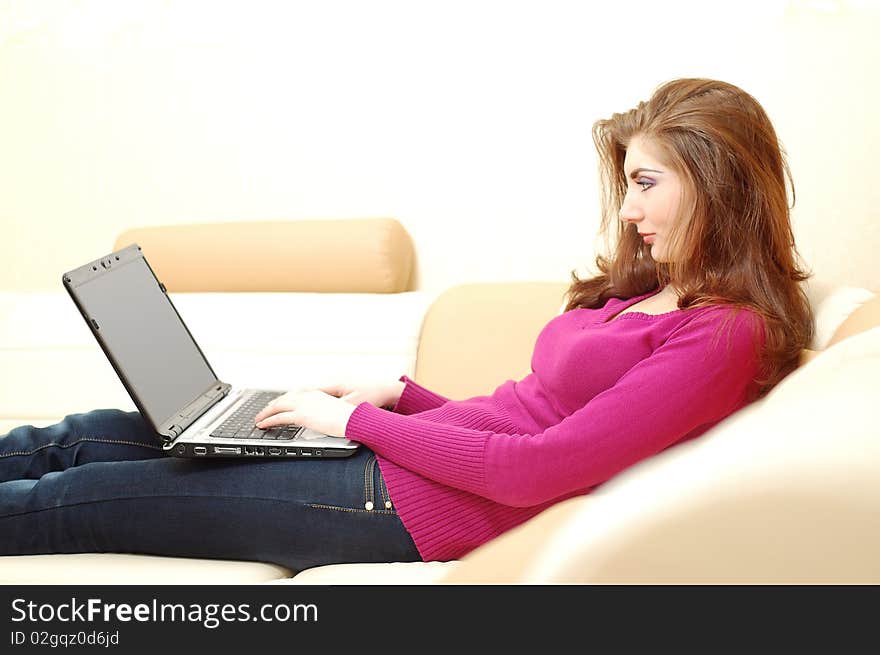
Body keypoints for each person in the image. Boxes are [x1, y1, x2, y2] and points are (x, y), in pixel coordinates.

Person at [0, 78, 814, 571]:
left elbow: (534, 469)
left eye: (644, 184)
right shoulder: (655, 291)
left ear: (716, 183)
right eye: (626, 184)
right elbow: (521, 411)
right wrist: (402, 396)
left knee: (86, 496)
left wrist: (356, 421)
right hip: (405, 464)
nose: (629, 209)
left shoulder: (723, 335)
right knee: (95, 431)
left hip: (406, 508)